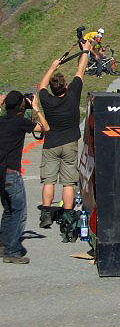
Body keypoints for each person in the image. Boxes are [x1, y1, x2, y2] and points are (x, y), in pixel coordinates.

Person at [37, 46, 89, 231]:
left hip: (51, 143)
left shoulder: (46, 99)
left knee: (48, 181)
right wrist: (85, 51)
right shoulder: (72, 95)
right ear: (65, 86)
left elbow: (41, 87)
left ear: (53, 88)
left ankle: (46, 214)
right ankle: (68, 216)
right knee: (68, 182)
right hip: (69, 143)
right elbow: (80, 71)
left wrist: (52, 68)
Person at [0, 91, 49, 263]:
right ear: (22, 106)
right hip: (11, 173)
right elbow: (45, 128)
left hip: (0, 172)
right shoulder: (20, 122)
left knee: (8, 209)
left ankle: (3, 244)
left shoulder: (2, 120)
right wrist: (36, 108)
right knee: (19, 212)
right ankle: (12, 251)